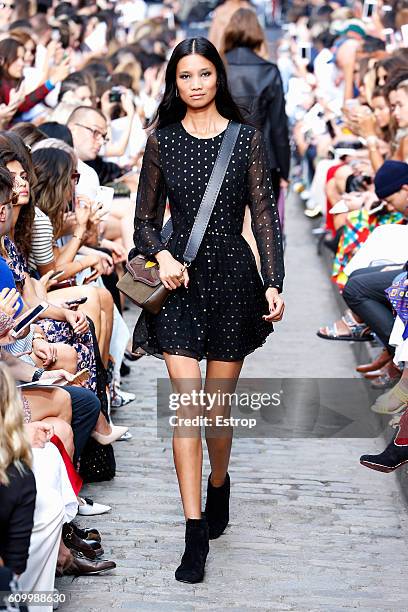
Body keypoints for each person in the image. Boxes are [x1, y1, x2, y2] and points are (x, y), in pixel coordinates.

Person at [131, 37, 285, 583]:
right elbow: (144, 223)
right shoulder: (162, 142)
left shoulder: (246, 140)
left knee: (216, 412)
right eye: (184, 78)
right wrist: (164, 253)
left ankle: (219, 482)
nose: (195, 85)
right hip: (180, 282)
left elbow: (264, 215)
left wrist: (274, 281)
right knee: (188, 409)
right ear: (174, 84)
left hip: (233, 281)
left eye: (203, 75)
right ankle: (193, 533)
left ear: (218, 77)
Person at [222, 9, 290, 199]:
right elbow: (278, 126)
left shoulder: (216, 68)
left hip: (221, 159)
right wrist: (284, 169)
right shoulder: (268, 71)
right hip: (263, 158)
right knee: (263, 224)